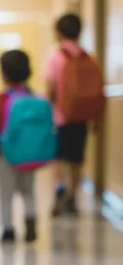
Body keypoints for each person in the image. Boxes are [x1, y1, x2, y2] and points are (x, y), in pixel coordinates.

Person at [43, 13, 105, 216]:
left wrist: (47, 112)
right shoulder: (88, 57)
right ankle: (74, 196)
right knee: (76, 158)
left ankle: (59, 191)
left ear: (59, 33)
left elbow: (50, 89)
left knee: (59, 157)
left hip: (59, 117)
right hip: (81, 117)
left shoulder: (56, 57)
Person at [0, 50, 40, 243]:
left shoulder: (1, 100)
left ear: (4, 74)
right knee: (28, 191)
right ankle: (31, 224)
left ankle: (8, 230)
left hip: (6, 154)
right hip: (30, 153)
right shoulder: (34, 98)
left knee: (6, 193)